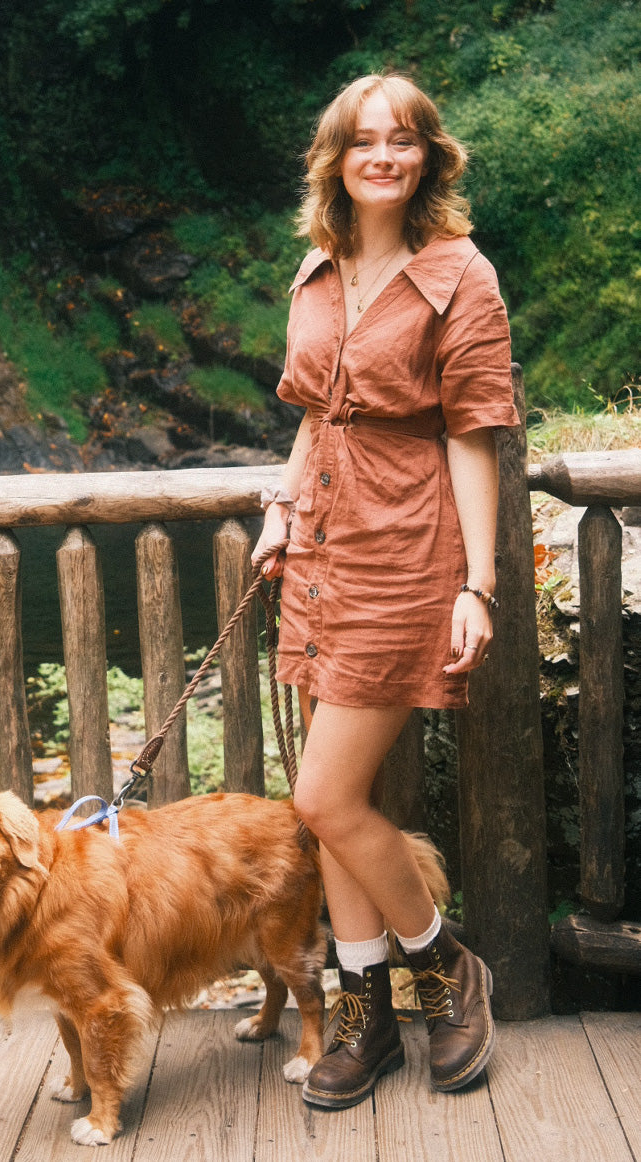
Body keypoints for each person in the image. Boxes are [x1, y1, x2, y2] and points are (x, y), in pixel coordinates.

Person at [252, 72, 519, 1110]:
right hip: (318, 549)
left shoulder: (461, 275)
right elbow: (318, 412)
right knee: (335, 805)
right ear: (337, 158)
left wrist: (481, 583)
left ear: (427, 158)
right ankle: (367, 1019)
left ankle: (446, 967)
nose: (383, 156)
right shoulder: (319, 269)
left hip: (407, 551)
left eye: (403, 140)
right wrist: (280, 505)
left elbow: (475, 431)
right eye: (364, 141)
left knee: (321, 796)